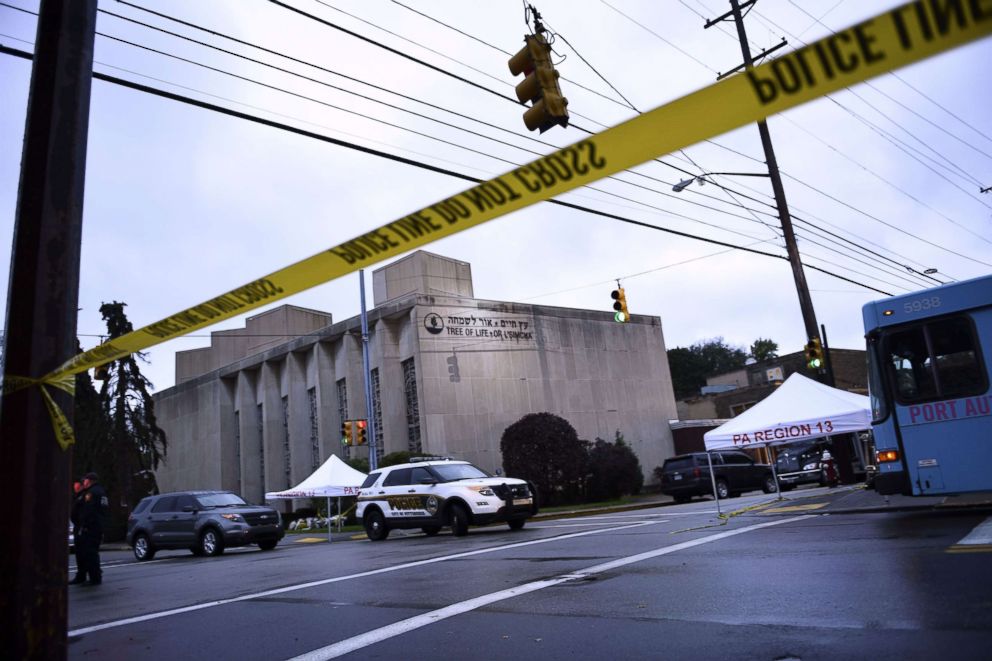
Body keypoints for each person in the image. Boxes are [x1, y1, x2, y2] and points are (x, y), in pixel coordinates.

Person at [75, 472, 109, 586]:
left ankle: (94, 577)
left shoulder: (92, 493)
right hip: (95, 527)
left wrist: (84, 525)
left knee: (90, 553)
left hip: (90, 528)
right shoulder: (101, 492)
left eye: (85, 480)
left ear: (89, 480)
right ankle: (84, 575)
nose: (83, 482)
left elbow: (88, 511)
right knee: (85, 552)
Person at [69, 479, 86, 585]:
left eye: (77, 485)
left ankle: (82, 575)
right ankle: (81, 574)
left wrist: (81, 526)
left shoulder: (83, 497)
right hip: (77, 527)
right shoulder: (78, 497)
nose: (75, 487)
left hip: (81, 528)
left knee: (83, 553)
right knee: (79, 553)